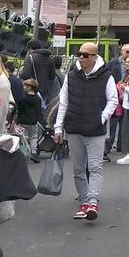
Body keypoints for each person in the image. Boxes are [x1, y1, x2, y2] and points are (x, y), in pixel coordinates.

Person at [54, 42, 118, 221]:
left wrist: (101, 118)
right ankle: (84, 201)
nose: (81, 57)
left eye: (85, 55)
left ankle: (93, 202)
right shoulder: (71, 76)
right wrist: (58, 127)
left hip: (95, 130)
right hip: (74, 128)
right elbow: (63, 102)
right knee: (78, 169)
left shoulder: (106, 76)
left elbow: (113, 100)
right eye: (79, 54)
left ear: (95, 57)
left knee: (95, 167)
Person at [19, 38, 60, 104]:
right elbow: (52, 76)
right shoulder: (50, 59)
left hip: (32, 90)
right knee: (42, 109)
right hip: (45, 91)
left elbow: (25, 75)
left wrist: (20, 73)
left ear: (30, 48)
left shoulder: (30, 58)